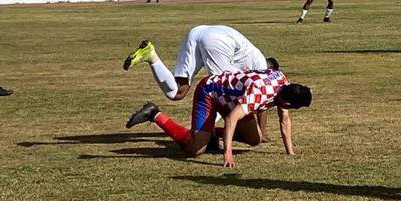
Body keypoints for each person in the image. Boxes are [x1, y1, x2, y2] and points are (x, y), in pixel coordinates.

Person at [127, 68, 312, 167]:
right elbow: (231, 119)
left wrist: (290, 153)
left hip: (232, 98)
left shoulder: (285, 84)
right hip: (210, 92)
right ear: (287, 102)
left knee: (254, 139)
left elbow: (284, 119)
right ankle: (154, 113)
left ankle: (209, 135)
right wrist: (228, 153)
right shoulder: (259, 94)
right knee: (195, 150)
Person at [123, 25, 270, 101]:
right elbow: (260, 101)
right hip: (217, 39)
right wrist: (262, 133)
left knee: (177, 93)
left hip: (197, 32)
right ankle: (208, 131)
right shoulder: (262, 68)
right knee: (221, 91)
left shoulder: (253, 60)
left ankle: (151, 56)